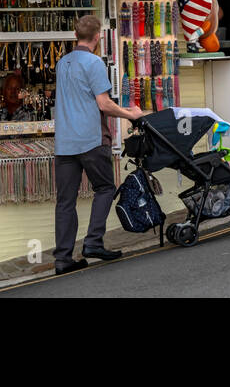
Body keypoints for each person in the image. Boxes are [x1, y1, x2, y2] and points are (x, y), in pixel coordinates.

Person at [53, 14, 143, 275]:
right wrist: (131, 115)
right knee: (105, 188)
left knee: (65, 201)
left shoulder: (62, 63)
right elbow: (103, 104)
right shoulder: (93, 63)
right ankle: (93, 243)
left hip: (65, 143)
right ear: (98, 38)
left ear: (75, 36)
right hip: (90, 140)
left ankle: (63, 259)